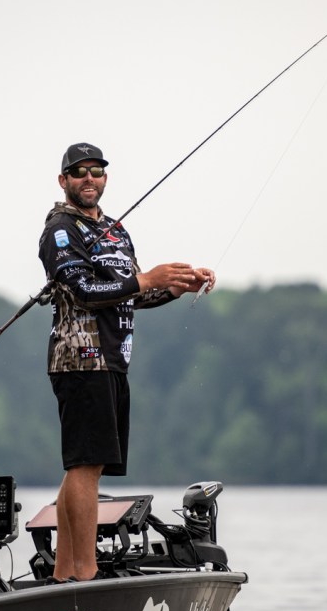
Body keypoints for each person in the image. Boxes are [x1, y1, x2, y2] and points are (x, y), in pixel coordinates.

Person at [38, 142, 215, 582]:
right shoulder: (60, 229)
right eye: (79, 172)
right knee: (84, 465)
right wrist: (146, 278)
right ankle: (86, 574)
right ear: (63, 180)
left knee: (88, 465)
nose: (89, 178)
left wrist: (174, 288)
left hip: (115, 361)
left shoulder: (116, 231)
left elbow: (133, 295)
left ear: (105, 178)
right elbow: (83, 291)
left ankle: (63, 574)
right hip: (80, 359)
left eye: (96, 171)